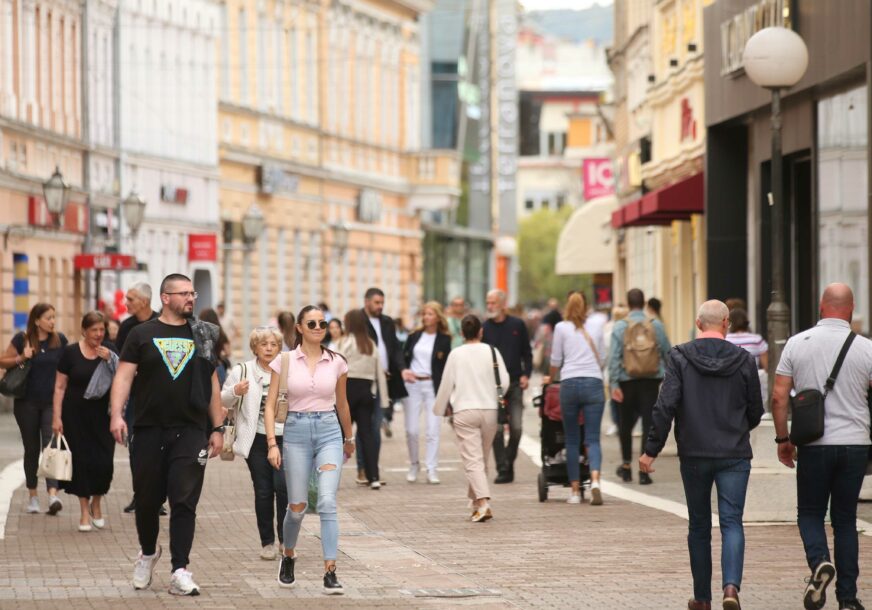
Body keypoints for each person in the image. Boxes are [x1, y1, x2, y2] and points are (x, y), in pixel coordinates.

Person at [640, 300, 763, 610]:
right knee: (732, 522)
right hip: (734, 452)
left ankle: (702, 599)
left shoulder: (679, 357)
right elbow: (755, 410)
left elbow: (665, 405)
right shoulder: (744, 360)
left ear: (698, 324)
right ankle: (731, 589)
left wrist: (651, 450)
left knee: (698, 525)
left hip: (694, 452)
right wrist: (738, 427)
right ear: (726, 324)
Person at [109, 273, 224, 596]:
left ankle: (180, 569)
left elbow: (211, 381)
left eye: (192, 293)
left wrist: (217, 428)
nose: (191, 298)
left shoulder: (202, 333)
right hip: (148, 430)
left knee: (184, 501)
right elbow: (123, 376)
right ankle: (148, 552)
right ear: (165, 297)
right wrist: (117, 414)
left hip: (190, 429)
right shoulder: (141, 334)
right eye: (184, 293)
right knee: (146, 501)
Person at [771, 283, 872, 610]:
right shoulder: (866, 348)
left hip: (813, 444)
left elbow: (778, 396)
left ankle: (819, 564)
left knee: (810, 513)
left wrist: (783, 439)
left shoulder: (797, 344)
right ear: (851, 309)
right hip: (856, 444)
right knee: (845, 519)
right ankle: (848, 599)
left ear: (820, 306)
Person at [262, 305, 355, 593]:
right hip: (296, 433)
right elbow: (270, 404)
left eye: (322, 323)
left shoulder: (337, 362)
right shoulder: (285, 360)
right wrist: (271, 443)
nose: (318, 327)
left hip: (329, 431)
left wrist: (349, 438)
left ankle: (330, 571)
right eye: (311, 323)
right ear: (300, 328)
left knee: (327, 502)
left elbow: (342, 404)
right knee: (298, 506)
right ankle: (288, 555)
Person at [220, 326, 286, 560]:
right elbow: (222, 397)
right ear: (255, 348)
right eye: (264, 344)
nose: (269, 349)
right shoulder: (243, 370)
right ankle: (267, 542)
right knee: (264, 490)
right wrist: (236, 391)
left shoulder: (287, 371)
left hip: (285, 436)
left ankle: (285, 541)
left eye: (274, 344)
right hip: (255, 438)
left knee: (283, 487)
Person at [434, 315, 508, 522]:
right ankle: (475, 502)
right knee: (481, 458)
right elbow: (505, 381)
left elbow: (446, 383)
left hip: (465, 410)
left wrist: (440, 408)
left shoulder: (456, 354)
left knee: (473, 460)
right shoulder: (492, 351)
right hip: (490, 409)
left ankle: (483, 503)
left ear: (461, 333)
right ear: (481, 331)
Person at [51, 312, 117, 532]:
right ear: (84, 331)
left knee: (103, 463)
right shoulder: (70, 353)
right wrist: (56, 417)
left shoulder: (109, 352)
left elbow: (123, 381)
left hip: (103, 417)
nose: (99, 335)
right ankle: (83, 513)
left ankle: (96, 503)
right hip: (74, 416)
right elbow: (60, 387)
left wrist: (111, 360)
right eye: (94, 330)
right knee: (80, 463)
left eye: (102, 330)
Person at [0, 303, 68, 515]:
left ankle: (53, 495)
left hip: (50, 403)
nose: (52, 321)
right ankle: (33, 496)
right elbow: (2, 361)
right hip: (26, 403)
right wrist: (22, 357)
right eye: (48, 318)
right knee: (31, 450)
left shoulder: (60, 341)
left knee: (50, 448)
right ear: (37, 320)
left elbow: (67, 368)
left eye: (54, 317)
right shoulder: (22, 339)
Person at [547, 292, 606, 506]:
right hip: (593, 382)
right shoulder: (598, 324)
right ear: (587, 306)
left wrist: (550, 377)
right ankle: (596, 480)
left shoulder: (561, 328)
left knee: (572, 439)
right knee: (592, 438)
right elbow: (603, 356)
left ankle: (573, 491)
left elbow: (555, 359)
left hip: (569, 383)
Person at [608, 288, 671, 485]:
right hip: (651, 381)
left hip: (627, 381)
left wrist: (614, 383)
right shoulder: (655, 325)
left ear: (628, 304)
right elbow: (667, 352)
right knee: (648, 425)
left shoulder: (619, 327)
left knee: (625, 425)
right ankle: (644, 471)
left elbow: (613, 358)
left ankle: (626, 466)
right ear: (644, 303)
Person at [114, 282, 161, 515]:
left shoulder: (162, 322)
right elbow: (119, 360)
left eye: (130, 299)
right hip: (135, 396)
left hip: (160, 396)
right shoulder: (127, 327)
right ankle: (140, 495)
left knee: (161, 447)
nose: (126, 303)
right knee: (136, 446)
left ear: (144, 301)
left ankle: (158, 497)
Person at [483, 289, 532, 484]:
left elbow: (526, 353)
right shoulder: (484, 328)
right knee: (495, 429)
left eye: (493, 302)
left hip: (514, 383)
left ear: (503, 304)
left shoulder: (517, 325)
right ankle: (503, 469)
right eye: (488, 302)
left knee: (517, 427)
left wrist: (526, 375)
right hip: (492, 385)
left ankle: (509, 462)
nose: (490, 306)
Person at [401, 301, 452, 484]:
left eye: (430, 314)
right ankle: (414, 464)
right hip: (413, 385)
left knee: (433, 430)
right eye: (424, 314)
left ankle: (432, 468)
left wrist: (448, 397)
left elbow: (447, 368)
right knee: (412, 430)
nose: (426, 317)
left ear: (438, 317)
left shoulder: (445, 339)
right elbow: (403, 356)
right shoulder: (414, 335)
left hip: (432, 387)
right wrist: (404, 371)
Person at [336, 309, 388, 489]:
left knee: (339, 434)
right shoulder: (370, 344)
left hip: (347, 391)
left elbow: (335, 366)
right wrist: (382, 398)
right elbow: (379, 372)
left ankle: (331, 475)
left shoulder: (343, 343)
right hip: (366, 393)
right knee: (367, 435)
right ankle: (373, 476)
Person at [360, 288, 407, 483]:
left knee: (375, 425)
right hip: (364, 380)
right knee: (364, 426)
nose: (380, 306)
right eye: (377, 302)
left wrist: (402, 369)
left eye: (382, 303)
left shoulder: (387, 322)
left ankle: (373, 470)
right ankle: (363, 469)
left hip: (384, 381)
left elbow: (395, 348)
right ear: (367, 302)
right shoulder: (358, 321)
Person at [604, 305, 629, 436]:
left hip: (613, 370)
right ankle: (626, 424)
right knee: (626, 400)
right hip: (628, 371)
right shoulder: (630, 329)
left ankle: (617, 424)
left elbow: (609, 355)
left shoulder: (609, 330)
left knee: (614, 400)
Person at [199, 308, 232, 386]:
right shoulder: (220, 332)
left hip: (204, 368)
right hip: (218, 366)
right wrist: (219, 355)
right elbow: (228, 352)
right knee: (219, 395)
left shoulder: (200, 333)